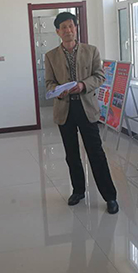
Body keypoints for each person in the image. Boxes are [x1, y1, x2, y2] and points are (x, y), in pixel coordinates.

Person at [45, 12, 119, 214]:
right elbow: (49, 82)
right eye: (63, 27)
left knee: (96, 153)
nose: (68, 30)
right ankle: (78, 190)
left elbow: (99, 76)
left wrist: (83, 85)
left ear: (76, 28)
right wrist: (58, 90)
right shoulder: (50, 56)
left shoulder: (91, 51)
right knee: (71, 154)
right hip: (65, 109)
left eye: (71, 26)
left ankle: (110, 196)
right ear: (58, 32)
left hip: (87, 108)